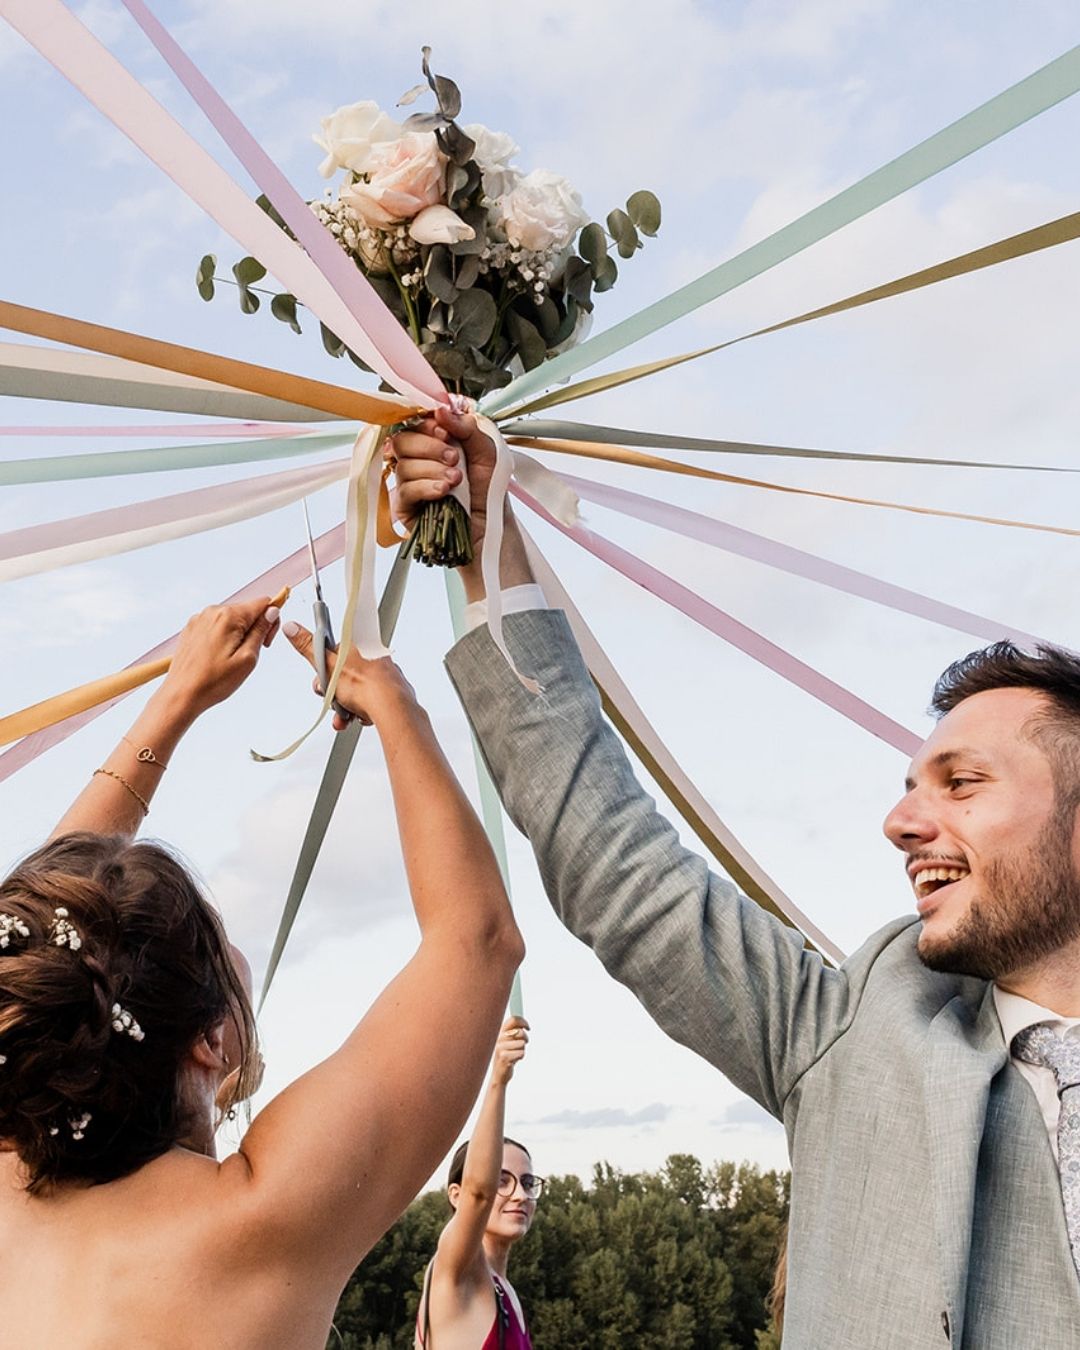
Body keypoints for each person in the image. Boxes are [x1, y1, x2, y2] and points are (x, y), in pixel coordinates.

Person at [390, 409, 1080, 1348]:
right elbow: (614, 857)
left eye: (962, 785)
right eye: (909, 787)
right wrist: (486, 537)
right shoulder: (846, 1033)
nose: (902, 822)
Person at [0, 596, 523, 1349]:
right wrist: (394, 702)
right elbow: (476, 941)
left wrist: (176, 698)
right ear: (210, 1041)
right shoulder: (262, 1218)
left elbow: (41, 945)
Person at [416, 1016, 538, 1349]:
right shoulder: (455, 1270)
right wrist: (499, 1078)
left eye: (528, 1182)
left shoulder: (506, 1291)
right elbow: (478, 1194)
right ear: (455, 1195)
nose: (520, 1195)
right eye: (503, 1181)